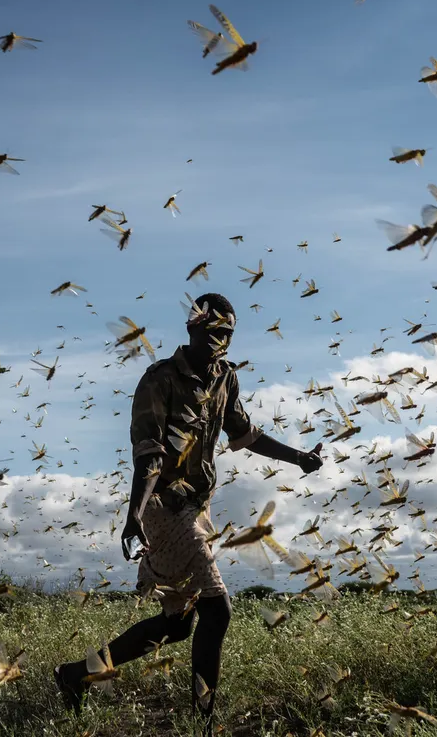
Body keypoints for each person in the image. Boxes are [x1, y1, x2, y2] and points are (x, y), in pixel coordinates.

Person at [54, 292, 322, 731]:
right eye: (215, 331)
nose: (222, 341)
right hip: (161, 506)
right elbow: (149, 456)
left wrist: (298, 458)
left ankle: (73, 675)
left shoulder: (225, 378)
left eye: (229, 334)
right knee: (219, 611)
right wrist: (134, 513)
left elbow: (245, 433)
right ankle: (204, 724)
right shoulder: (159, 380)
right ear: (193, 328)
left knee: (178, 625)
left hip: (197, 506)